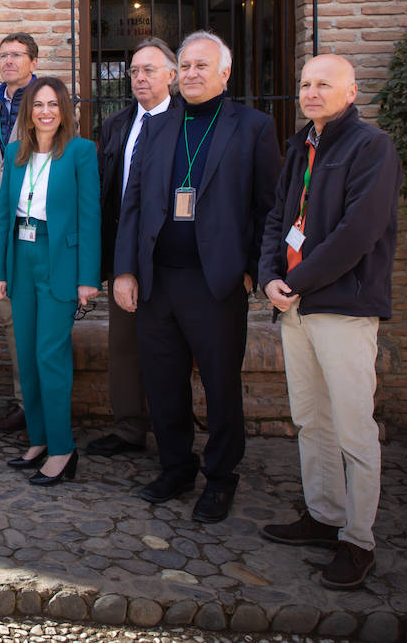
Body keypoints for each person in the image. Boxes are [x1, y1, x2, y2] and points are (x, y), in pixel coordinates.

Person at [112, 30, 280, 523]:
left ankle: (221, 477)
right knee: (164, 382)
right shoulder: (158, 127)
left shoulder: (253, 127)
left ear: (225, 73)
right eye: (184, 66)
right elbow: (134, 204)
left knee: (221, 385)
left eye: (201, 66)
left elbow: (269, 207)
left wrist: (252, 270)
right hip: (157, 280)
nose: (191, 74)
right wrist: (124, 270)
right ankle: (175, 466)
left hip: (216, 283)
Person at [258, 54, 401, 591]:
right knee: (310, 418)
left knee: (353, 429)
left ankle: (357, 540)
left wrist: (296, 282)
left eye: (324, 84)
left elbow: (356, 232)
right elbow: (278, 218)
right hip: (296, 306)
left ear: (352, 91)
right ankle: (323, 514)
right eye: (305, 84)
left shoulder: (372, 148)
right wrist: (270, 274)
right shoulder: (301, 146)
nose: (312, 92)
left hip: (343, 306)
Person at [0, 77, 100, 486]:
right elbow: (3, 217)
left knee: (51, 358)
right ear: (28, 112)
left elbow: (90, 218)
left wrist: (88, 278)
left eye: (53, 104)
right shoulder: (15, 152)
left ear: (64, 110)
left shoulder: (82, 153)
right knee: (27, 356)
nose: (46, 112)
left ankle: (62, 449)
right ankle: (38, 439)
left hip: (60, 262)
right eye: (38, 105)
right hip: (21, 257)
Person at [89, 38, 178, 457]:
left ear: (172, 76)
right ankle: (128, 429)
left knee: (167, 348)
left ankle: (172, 436)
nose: (140, 78)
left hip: (169, 256)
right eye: (135, 71)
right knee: (123, 345)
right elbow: (108, 193)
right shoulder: (117, 123)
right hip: (123, 253)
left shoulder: (184, 122)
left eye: (150, 70)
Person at [0, 33, 40, 434]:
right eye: (3, 55)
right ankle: (23, 401)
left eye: (17, 55)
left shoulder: (47, 100)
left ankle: (37, 403)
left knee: (37, 318)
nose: (8, 61)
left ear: (33, 61)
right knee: (8, 314)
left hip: (36, 218)